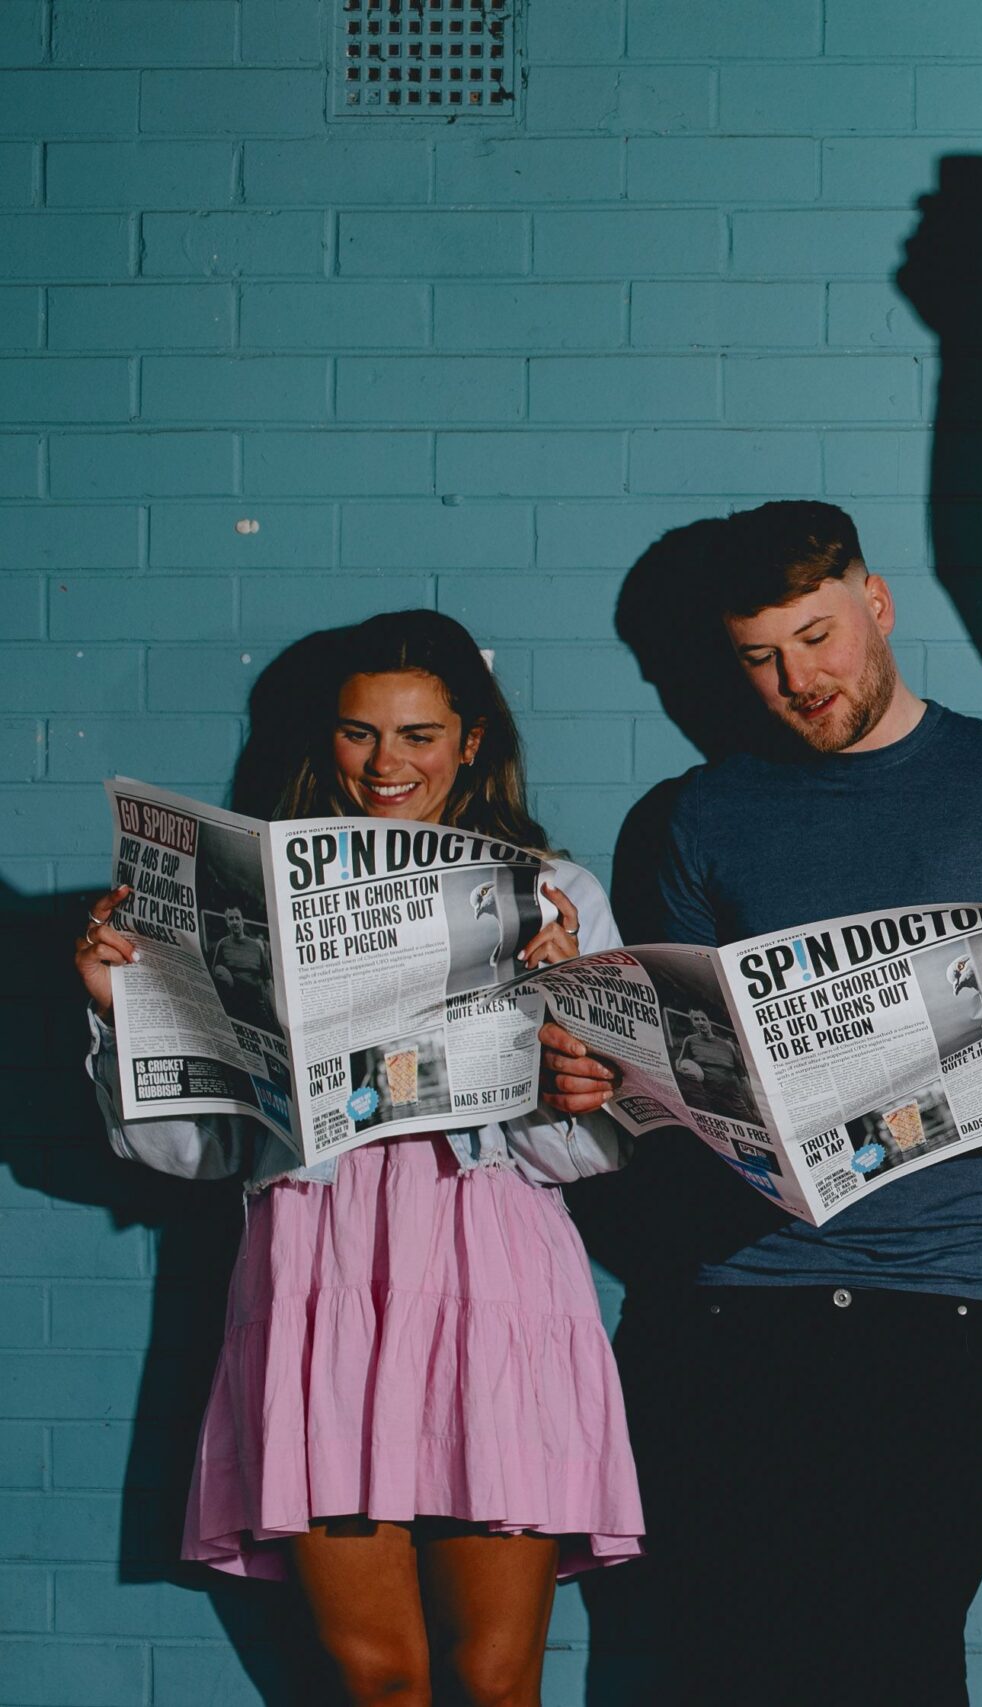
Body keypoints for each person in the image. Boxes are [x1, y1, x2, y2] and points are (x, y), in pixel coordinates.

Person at [542, 499, 982, 1705]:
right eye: (760, 658)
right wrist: (597, 1084)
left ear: (874, 606)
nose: (796, 680)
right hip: (730, 1308)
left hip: (937, 1306)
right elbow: (656, 1070)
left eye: (817, 638)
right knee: (722, 1667)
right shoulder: (693, 813)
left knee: (899, 1663)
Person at [72, 610, 643, 1707]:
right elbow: (192, 1152)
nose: (388, 764)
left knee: (496, 1674)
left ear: (472, 741)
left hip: (496, 1278)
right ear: (323, 740)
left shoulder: (556, 891)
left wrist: (563, 1014)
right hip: (317, 1278)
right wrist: (121, 1016)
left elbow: (581, 1152)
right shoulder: (245, 904)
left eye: (421, 735)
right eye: (359, 734)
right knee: (377, 1680)